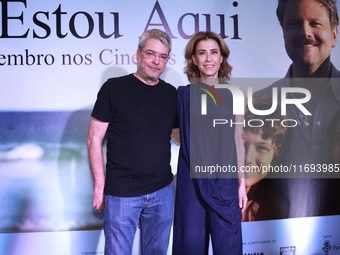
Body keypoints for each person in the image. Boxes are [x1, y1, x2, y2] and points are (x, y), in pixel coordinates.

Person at [87, 29, 177, 255]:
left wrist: (224, 133)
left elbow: (178, 138)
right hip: (122, 193)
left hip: (162, 191)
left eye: (163, 56)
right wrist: (100, 185)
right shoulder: (113, 88)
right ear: (138, 54)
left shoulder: (171, 94)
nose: (156, 62)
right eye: (151, 54)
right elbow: (94, 138)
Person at [255, 0, 340, 218]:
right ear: (283, 33)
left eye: (315, 23)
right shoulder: (258, 105)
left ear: (334, 34)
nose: (305, 32)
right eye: (294, 24)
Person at [172, 31, 247, 255]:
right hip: (191, 182)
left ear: (222, 57)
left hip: (225, 181)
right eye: (202, 53)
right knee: (190, 245)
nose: (208, 59)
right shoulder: (183, 96)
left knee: (228, 246)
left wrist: (242, 183)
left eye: (214, 52)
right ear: (193, 59)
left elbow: (238, 140)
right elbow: (176, 136)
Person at [242, 98, 289, 221]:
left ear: (276, 157)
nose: (247, 158)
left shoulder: (275, 208)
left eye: (262, 148)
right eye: (241, 145)